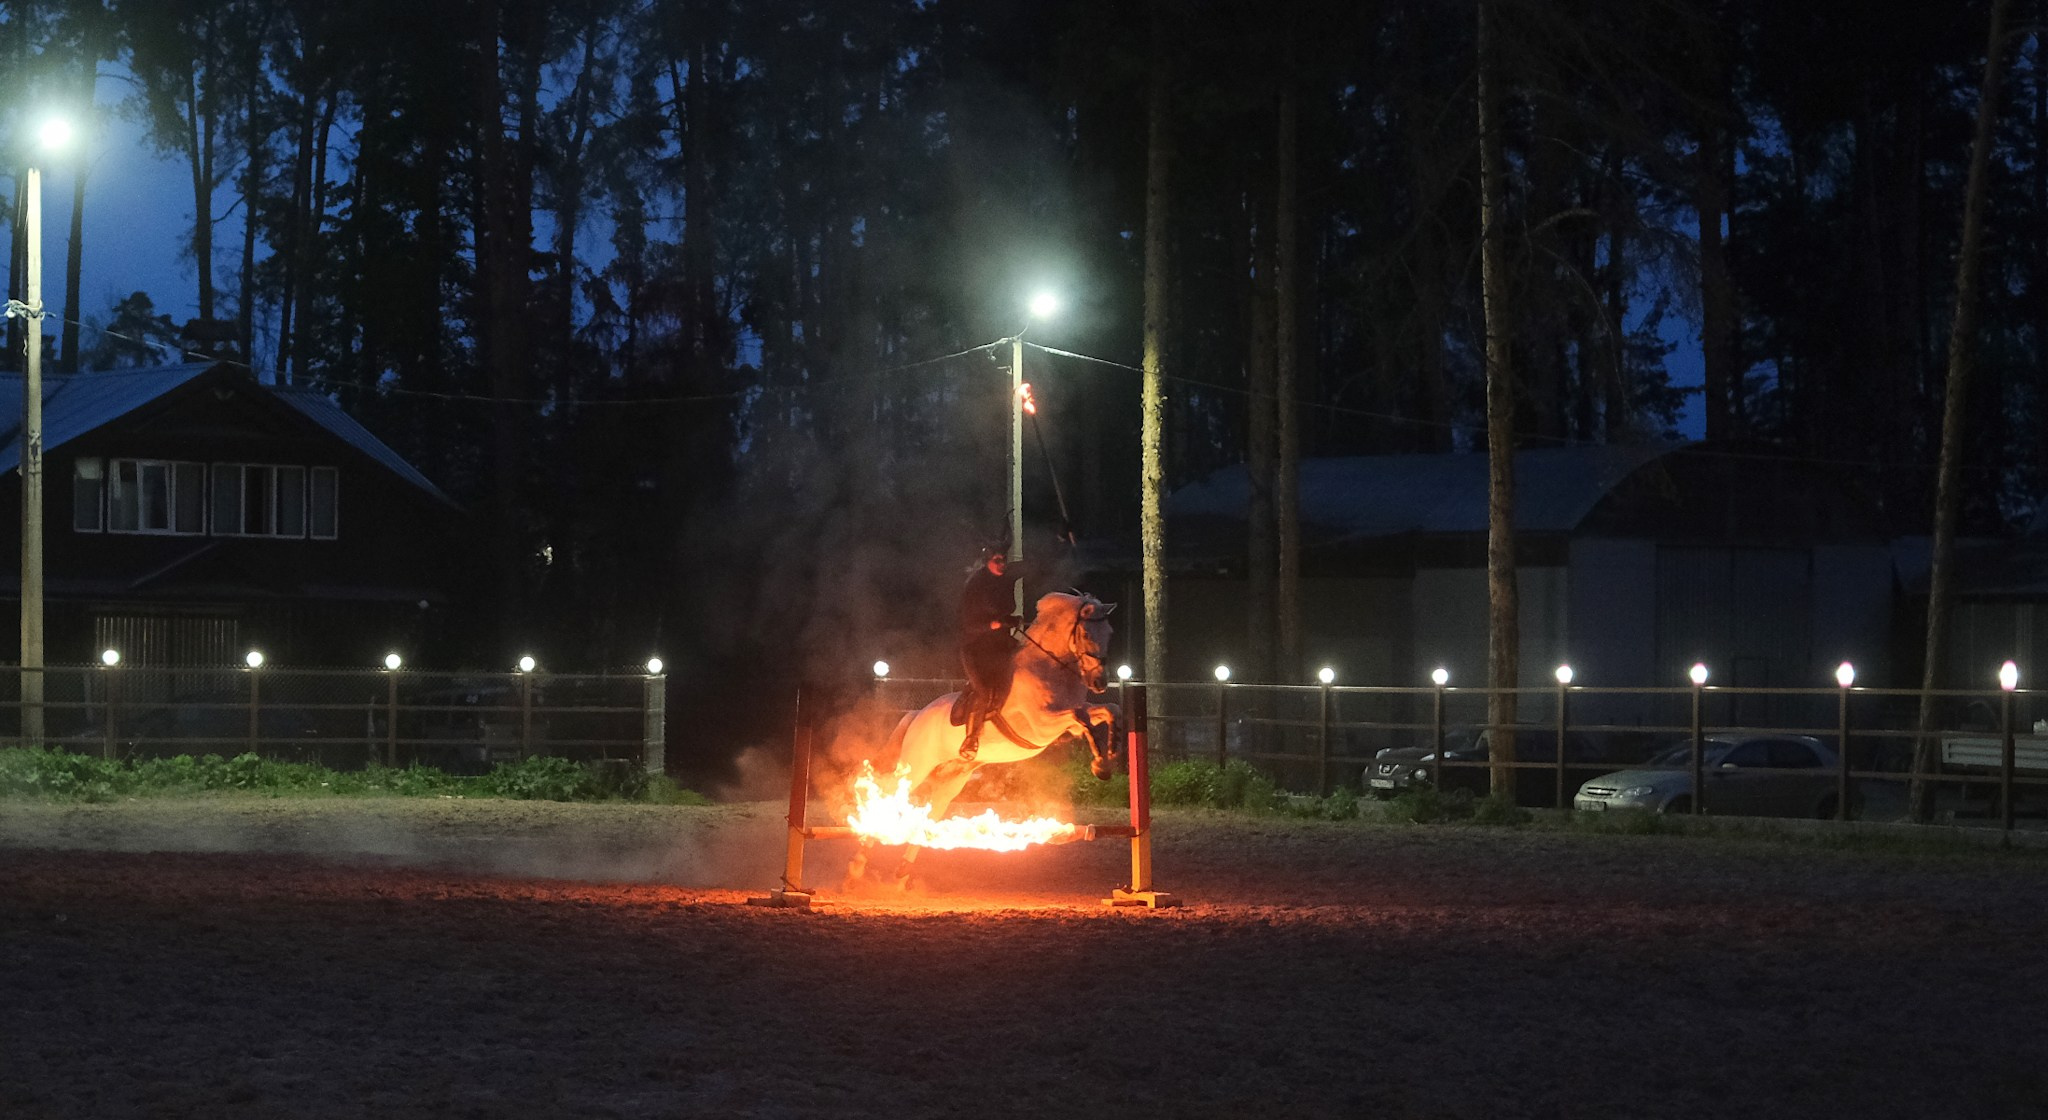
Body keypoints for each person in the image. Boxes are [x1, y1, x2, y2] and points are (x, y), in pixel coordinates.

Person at [957, 546, 1022, 760]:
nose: (1002, 564)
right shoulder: (974, 586)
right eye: (997, 560)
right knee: (984, 692)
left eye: (1004, 560)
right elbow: (968, 626)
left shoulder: (1005, 581)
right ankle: (971, 738)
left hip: (1001, 646)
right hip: (976, 650)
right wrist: (993, 625)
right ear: (987, 561)